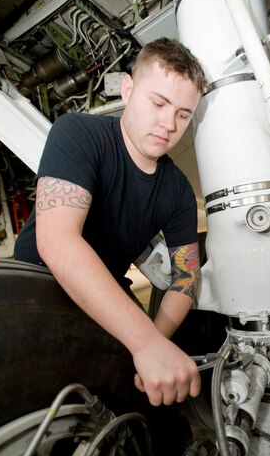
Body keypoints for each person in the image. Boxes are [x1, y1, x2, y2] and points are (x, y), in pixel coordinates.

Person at [14, 37, 207, 408]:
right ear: (128, 89)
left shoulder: (179, 192)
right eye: (158, 103)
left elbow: (187, 277)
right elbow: (57, 242)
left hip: (107, 305)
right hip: (33, 293)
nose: (169, 124)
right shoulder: (78, 134)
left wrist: (155, 340)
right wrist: (145, 343)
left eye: (183, 114)